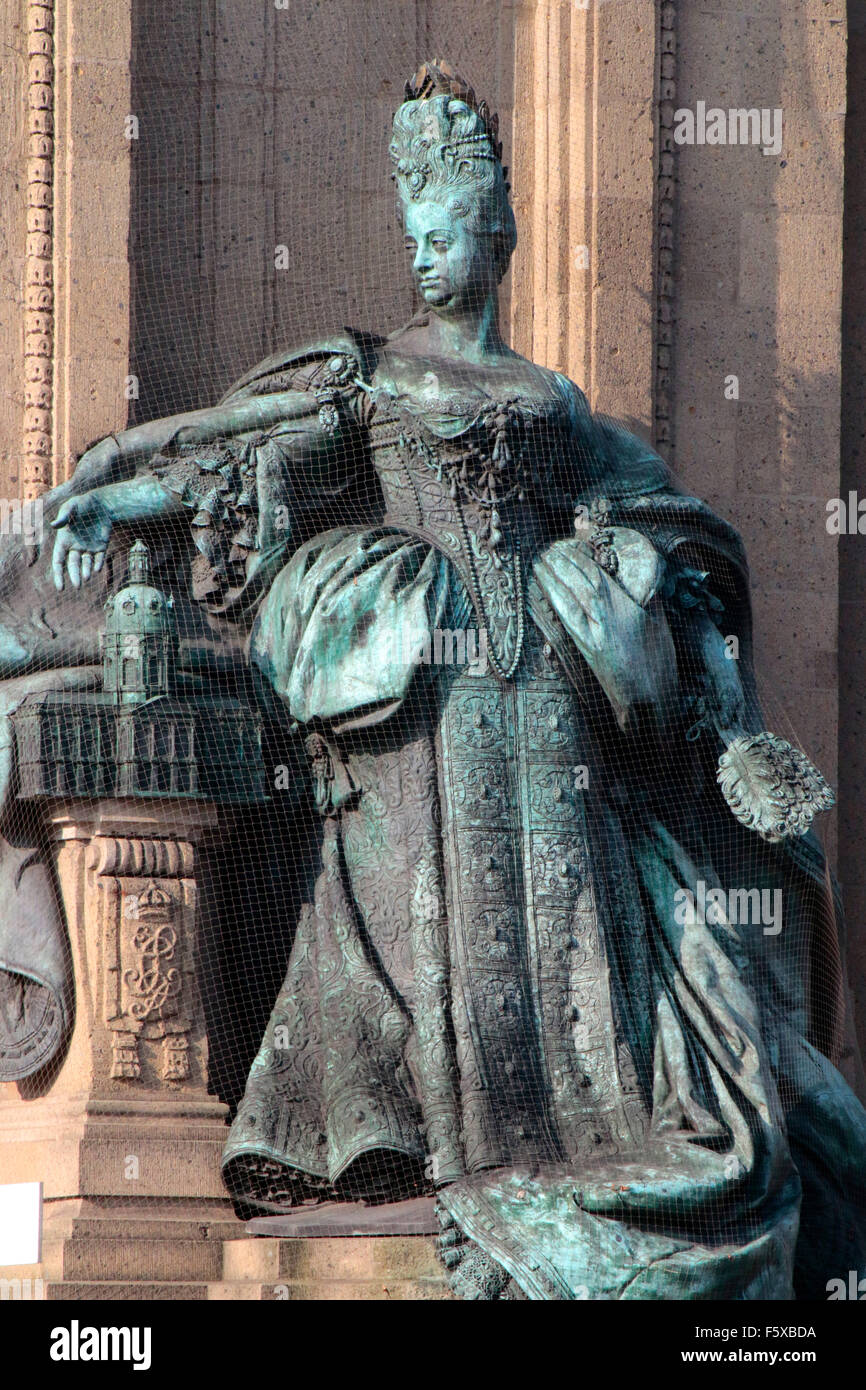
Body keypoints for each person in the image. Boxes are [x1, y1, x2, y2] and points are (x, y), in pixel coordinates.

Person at [1, 61, 864, 1299]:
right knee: (425, 893)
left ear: (495, 233)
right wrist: (112, 499)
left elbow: (656, 513)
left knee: (570, 908)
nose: (424, 253)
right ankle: (415, 1135)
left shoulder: (553, 400)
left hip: (548, 687)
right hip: (420, 681)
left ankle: (564, 1141)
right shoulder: (369, 376)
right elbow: (227, 461)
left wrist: (666, 596)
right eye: (411, 229)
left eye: (445, 227)